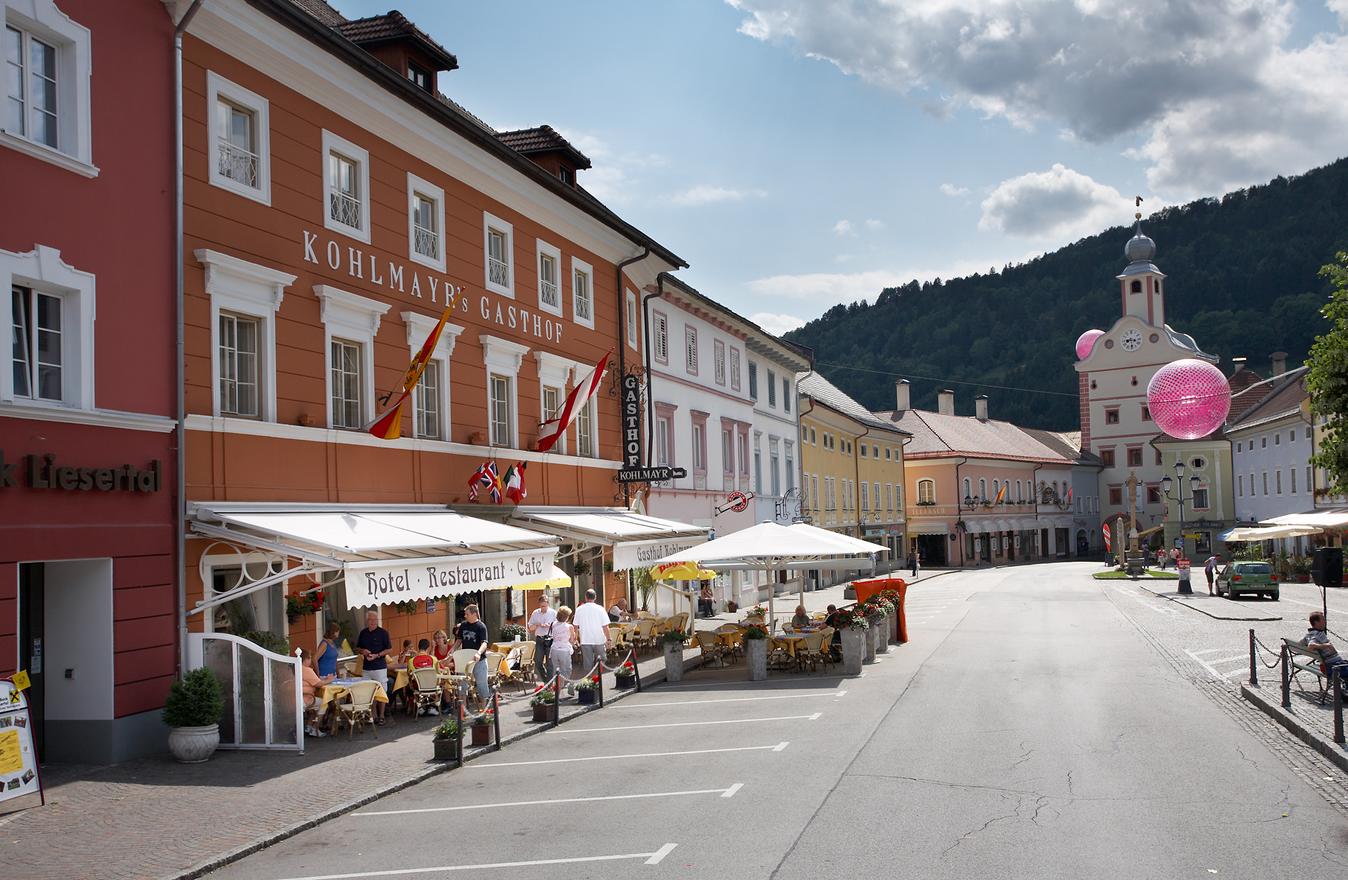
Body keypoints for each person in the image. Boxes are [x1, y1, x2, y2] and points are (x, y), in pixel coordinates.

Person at [355, 610, 392, 724]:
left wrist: (378, 655)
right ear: (367, 621)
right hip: (367, 667)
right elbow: (357, 648)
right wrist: (363, 651)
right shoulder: (363, 633)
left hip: (380, 667)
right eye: (371, 619)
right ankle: (373, 715)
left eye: (375, 619)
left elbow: (389, 649)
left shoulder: (383, 633)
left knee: (382, 691)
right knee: (369, 692)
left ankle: (381, 716)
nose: (373, 622)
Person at [453, 604, 492, 709]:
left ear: (474, 614)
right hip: (465, 660)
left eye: (467, 614)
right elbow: (459, 640)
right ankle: (464, 709)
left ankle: (484, 709)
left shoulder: (481, 626)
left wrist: (478, 653)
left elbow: (484, 643)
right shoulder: (463, 625)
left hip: (479, 660)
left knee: (481, 683)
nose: (465, 616)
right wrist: (452, 650)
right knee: (463, 683)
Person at [573, 588, 612, 678]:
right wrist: (609, 639)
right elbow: (605, 626)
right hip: (599, 639)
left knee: (587, 663)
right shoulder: (601, 609)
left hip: (585, 640)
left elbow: (575, 626)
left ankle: (590, 680)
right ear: (595, 597)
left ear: (586, 597)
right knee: (602, 659)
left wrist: (575, 639)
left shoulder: (579, 609)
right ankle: (598, 676)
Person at [1301, 612, 1348, 686]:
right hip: (1332, 667)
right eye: (1323, 620)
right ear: (1316, 622)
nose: (1325, 622)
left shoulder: (1309, 634)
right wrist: (1325, 645)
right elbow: (1311, 645)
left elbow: (1300, 643)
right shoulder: (1317, 634)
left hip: (1330, 665)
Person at [527, 594, 557, 683]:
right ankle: (546, 681)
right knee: (538, 662)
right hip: (539, 639)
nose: (542, 608)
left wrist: (550, 626)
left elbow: (557, 627)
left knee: (550, 663)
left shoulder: (553, 613)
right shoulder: (535, 613)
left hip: (550, 639)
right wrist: (538, 624)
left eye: (544, 606)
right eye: (541, 606)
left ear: (548, 604)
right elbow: (530, 628)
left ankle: (549, 684)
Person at [301, 654, 334, 737]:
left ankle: (308, 727)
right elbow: (318, 684)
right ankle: (315, 729)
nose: (310, 661)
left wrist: (325, 680)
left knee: (313, 708)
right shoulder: (306, 670)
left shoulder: (294, 668)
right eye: (310, 659)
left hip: (293, 698)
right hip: (305, 699)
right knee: (324, 703)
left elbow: (316, 681)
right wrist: (330, 679)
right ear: (306, 659)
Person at [548, 606, 576, 694]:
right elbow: (572, 640)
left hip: (554, 650)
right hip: (564, 650)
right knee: (567, 670)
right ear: (567, 617)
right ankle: (569, 685)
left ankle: (557, 693)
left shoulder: (553, 624)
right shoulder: (569, 627)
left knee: (556, 671)